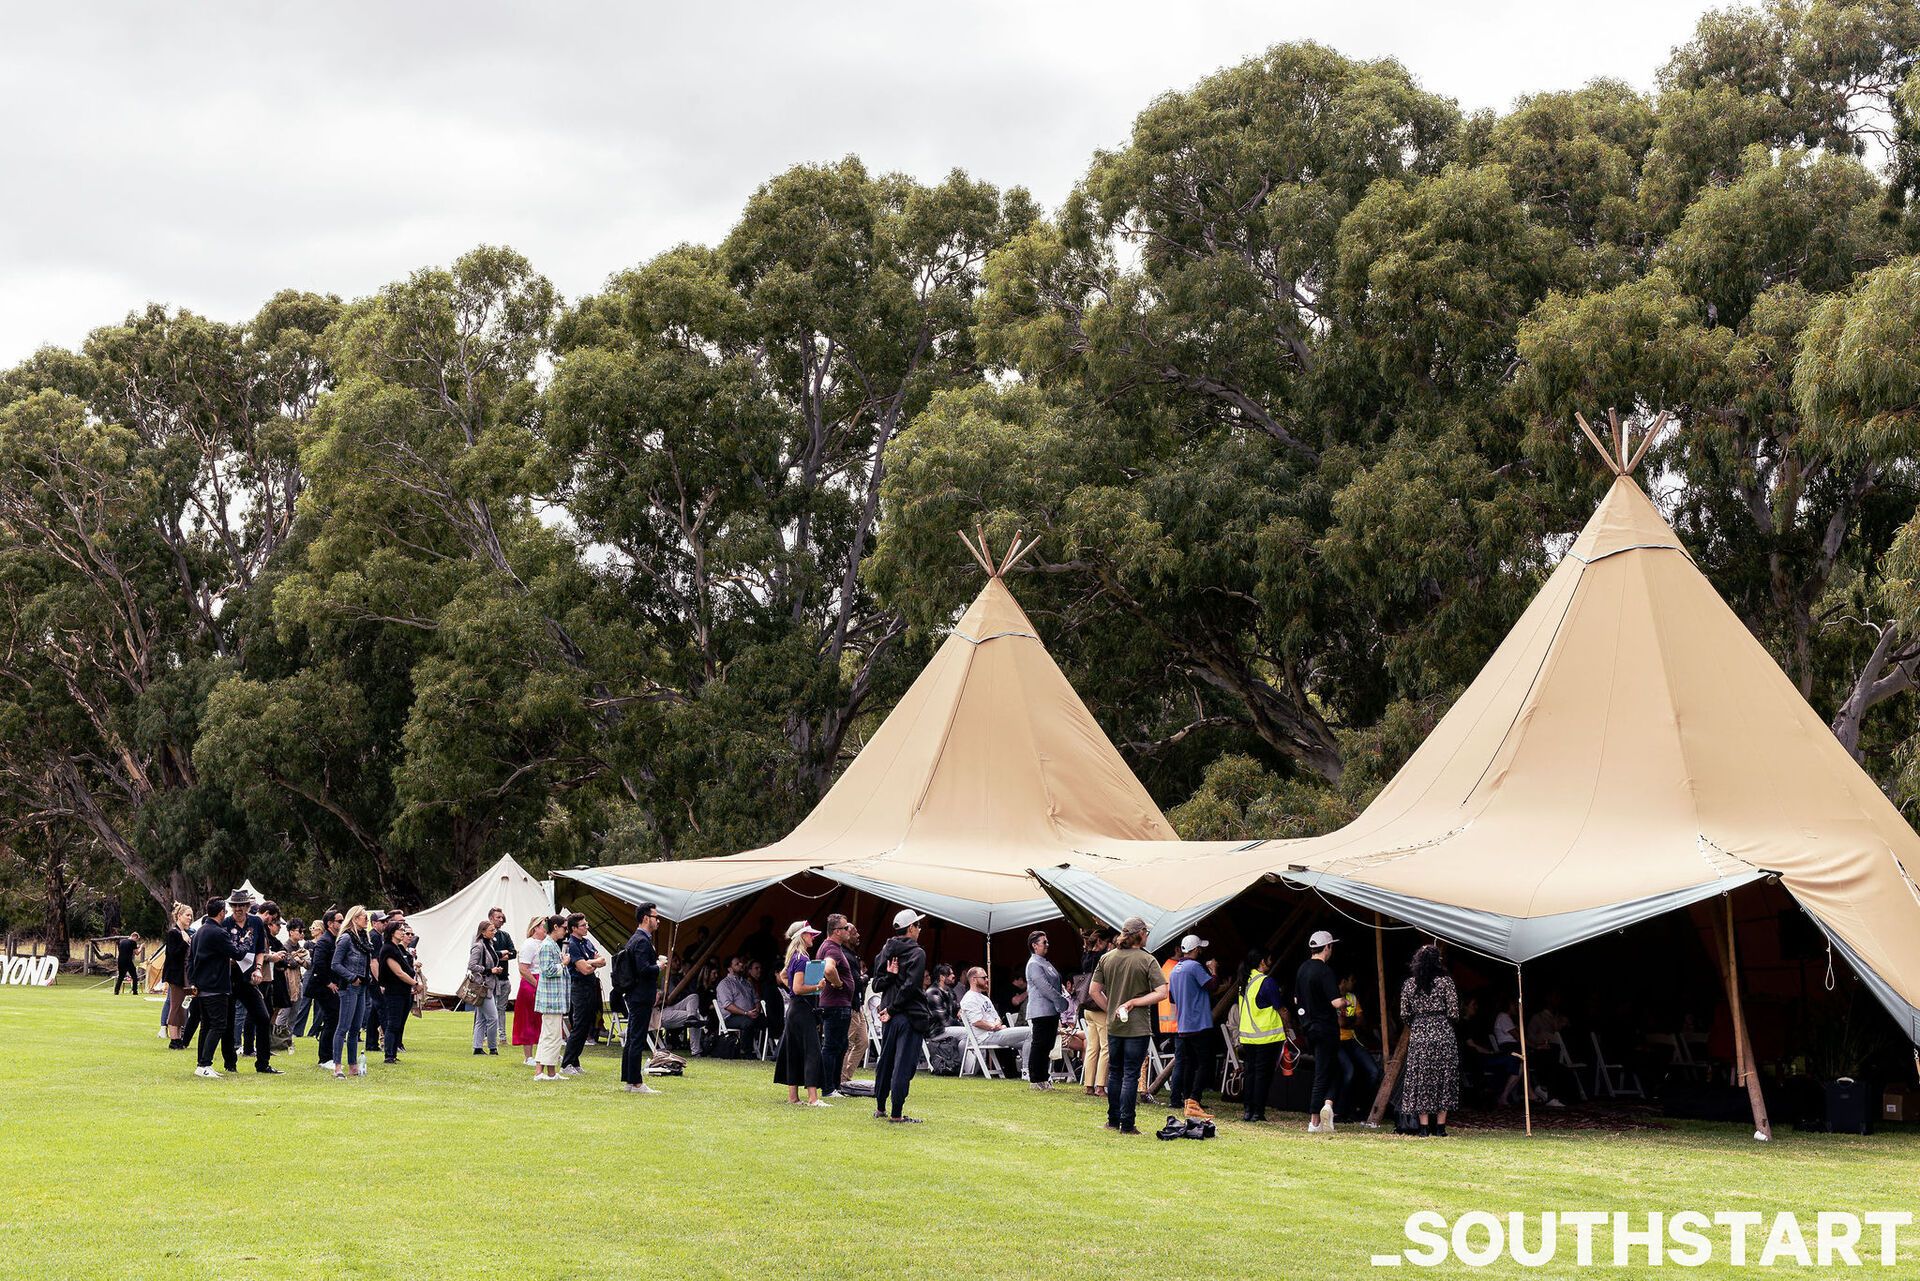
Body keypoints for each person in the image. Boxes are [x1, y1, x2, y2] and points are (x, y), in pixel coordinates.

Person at [1088, 915, 1168, 1135]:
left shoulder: (1107, 958)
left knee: (1115, 1073)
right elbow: (1162, 993)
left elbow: (1093, 991)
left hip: (1115, 1026)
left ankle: (1113, 1121)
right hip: (1137, 1027)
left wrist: (1112, 1009)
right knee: (1131, 1074)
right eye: (1147, 932)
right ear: (1140, 934)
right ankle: (1127, 1124)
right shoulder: (1147, 960)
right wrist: (1134, 1002)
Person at [870, 908, 935, 1123]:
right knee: (903, 1065)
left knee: (886, 1060)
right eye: (918, 925)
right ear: (910, 928)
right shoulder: (917, 953)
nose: (919, 929)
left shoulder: (885, 951)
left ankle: (880, 1107)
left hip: (888, 1014)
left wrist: (890, 977)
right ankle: (896, 1114)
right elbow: (911, 986)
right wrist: (894, 1008)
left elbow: (877, 984)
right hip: (906, 1014)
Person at [1399, 944, 1461, 1136]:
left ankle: (1424, 1128)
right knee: (1445, 1077)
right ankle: (1441, 1128)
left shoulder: (1409, 984)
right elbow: (1454, 1012)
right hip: (1443, 1033)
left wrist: (1418, 1022)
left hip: (1419, 1035)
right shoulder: (1446, 983)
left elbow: (1404, 1013)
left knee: (1421, 1079)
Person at [772, 921, 829, 1107]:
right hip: (803, 1011)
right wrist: (817, 987)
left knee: (794, 1051)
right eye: (810, 934)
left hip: (794, 1010)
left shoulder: (793, 957)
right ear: (802, 936)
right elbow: (797, 988)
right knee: (812, 1051)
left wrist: (794, 991)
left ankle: (793, 1097)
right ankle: (813, 1098)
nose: (812, 937)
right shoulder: (803, 959)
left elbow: (783, 976)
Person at [226, 889, 281, 1075]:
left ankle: (263, 1063)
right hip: (229, 976)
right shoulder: (226, 923)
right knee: (229, 1019)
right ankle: (230, 1063)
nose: (238, 909)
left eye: (241, 905)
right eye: (235, 905)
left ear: (248, 906)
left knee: (263, 1017)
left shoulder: (256, 923)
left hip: (249, 977)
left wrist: (258, 969)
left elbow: (259, 949)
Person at [1294, 929, 1344, 1134]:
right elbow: (1335, 1002)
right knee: (1323, 1073)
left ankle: (1328, 1107)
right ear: (1327, 947)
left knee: (1331, 1068)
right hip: (1326, 1028)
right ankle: (1315, 1121)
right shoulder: (1325, 971)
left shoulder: (1302, 969)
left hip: (1309, 1028)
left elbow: (1296, 1000)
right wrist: (1346, 1001)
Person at [188, 899, 241, 1078]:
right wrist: (247, 940)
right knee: (218, 1024)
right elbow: (237, 953)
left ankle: (201, 1064)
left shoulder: (199, 932)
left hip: (202, 986)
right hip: (216, 986)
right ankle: (205, 1063)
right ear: (221, 913)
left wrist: (193, 981)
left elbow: (191, 959)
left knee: (206, 1025)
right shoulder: (219, 933)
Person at [617, 903, 664, 1095]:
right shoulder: (642, 941)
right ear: (646, 918)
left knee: (632, 1038)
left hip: (635, 994)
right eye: (655, 916)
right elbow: (643, 969)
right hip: (640, 994)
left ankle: (630, 1079)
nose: (658, 920)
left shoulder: (635, 939)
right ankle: (636, 1082)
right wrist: (659, 966)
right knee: (637, 1038)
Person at [1235, 948, 1286, 1122]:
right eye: (1269, 960)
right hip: (1266, 1037)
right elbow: (1280, 1008)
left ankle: (1248, 1111)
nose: (1271, 963)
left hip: (1248, 1037)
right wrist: (1288, 1025)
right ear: (1262, 962)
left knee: (1250, 1073)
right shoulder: (1266, 982)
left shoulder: (1245, 981)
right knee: (1262, 1076)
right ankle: (1258, 1112)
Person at [814, 913, 859, 1097]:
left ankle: (834, 1085)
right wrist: (839, 984)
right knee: (833, 1046)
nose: (849, 930)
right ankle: (828, 1088)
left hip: (835, 1004)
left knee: (839, 1046)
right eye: (846, 927)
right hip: (836, 1004)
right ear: (836, 931)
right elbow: (828, 968)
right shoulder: (832, 949)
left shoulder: (828, 946)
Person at [330, 907, 377, 1078]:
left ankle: (353, 1065)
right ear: (355, 918)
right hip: (349, 987)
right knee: (343, 1027)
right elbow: (335, 964)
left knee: (356, 1028)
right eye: (364, 917)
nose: (367, 920)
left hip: (362, 987)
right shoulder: (346, 939)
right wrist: (352, 977)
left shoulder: (364, 938)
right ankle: (337, 1066)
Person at [958, 966, 1032, 1075]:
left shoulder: (984, 998)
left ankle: (1032, 1070)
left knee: (1033, 1038)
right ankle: (1027, 1072)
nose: (987, 980)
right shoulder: (969, 998)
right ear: (973, 979)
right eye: (984, 977)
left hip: (995, 1033)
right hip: (985, 1037)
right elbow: (976, 1022)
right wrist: (994, 1026)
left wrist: (997, 1025)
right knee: (1030, 1032)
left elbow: (997, 1017)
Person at [559, 914, 607, 1075]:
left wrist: (590, 962)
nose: (587, 927)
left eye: (586, 924)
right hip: (579, 987)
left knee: (586, 1025)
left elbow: (602, 960)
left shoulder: (586, 942)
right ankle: (566, 1063)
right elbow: (584, 970)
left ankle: (575, 1061)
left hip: (590, 986)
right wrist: (592, 963)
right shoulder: (572, 944)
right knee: (579, 1025)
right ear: (574, 928)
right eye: (583, 925)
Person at [1023, 930, 1069, 1091]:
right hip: (1040, 1010)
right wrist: (1061, 1001)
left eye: (1047, 942)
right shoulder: (1034, 964)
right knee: (1039, 1045)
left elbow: (1055, 983)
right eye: (1044, 942)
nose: (1047, 945)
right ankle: (1035, 1079)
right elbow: (1044, 987)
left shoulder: (1044, 962)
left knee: (1048, 1045)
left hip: (1051, 1010)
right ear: (1034, 945)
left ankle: (1043, 1077)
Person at [1336, 972, 1383, 1120]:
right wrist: (1351, 1020)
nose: (1354, 983)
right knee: (1349, 1072)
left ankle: (1360, 1108)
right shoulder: (1332, 997)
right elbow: (1341, 1023)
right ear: (1343, 981)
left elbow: (1361, 1021)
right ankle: (1340, 1111)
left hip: (1353, 1040)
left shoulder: (1352, 997)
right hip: (1336, 1042)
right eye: (1352, 979)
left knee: (1373, 1071)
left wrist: (1349, 1021)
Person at [1074, 927, 1112, 1097]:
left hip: (1087, 1008)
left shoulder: (1086, 957)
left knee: (1092, 1047)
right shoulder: (1102, 958)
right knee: (1106, 1047)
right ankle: (1100, 1086)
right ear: (1100, 942)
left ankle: (1088, 1085)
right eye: (1107, 942)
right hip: (1099, 1006)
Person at [532, 914, 570, 1081]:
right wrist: (563, 964)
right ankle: (543, 1073)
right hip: (551, 999)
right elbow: (547, 970)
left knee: (549, 1035)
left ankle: (546, 1072)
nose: (566, 931)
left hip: (554, 998)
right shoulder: (547, 945)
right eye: (564, 927)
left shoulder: (552, 944)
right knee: (552, 1036)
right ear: (556, 927)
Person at [378, 920, 422, 1064]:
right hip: (394, 991)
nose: (403, 932)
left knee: (399, 1023)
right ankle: (389, 1055)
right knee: (393, 1023)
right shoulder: (388, 949)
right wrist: (415, 983)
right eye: (401, 930)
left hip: (403, 991)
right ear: (392, 932)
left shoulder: (397, 948)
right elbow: (398, 972)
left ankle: (393, 1052)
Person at [308, 909, 342, 1069]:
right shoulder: (324, 941)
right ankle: (324, 1058)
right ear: (330, 923)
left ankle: (330, 1055)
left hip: (331, 985)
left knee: (333, 1019)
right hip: (322, 986)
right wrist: (329, 983)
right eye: (339, 921)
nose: (342, 924)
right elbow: (319, 964)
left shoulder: (335, 940)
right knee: (331, 1019)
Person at [468, 919, 507, 1057]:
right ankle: (492, 1047)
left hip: (489, 985)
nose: (494, 931)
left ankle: (477, 1047)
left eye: (494, 929)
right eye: (491, 930)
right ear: (483, 932)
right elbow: (471, 966)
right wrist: (490, 970)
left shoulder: (489, 944)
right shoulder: (478, 946)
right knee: (493, 1018)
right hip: (483, 987)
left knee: (481, 1019)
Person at [513, 914, 548, 1065]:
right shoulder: (529, 944)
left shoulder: (546, 943)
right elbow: (523, 969)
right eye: (544, 926)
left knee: (543, 1020)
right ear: (535, 928)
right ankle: (528, 1056)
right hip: (531, 983)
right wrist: (537, 984)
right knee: (528, 1019)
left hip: (543, 981)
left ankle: (545, 1052)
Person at [715, 955, 763, 1055]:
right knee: (748, 1022)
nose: (741, 964)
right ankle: (745, 1052)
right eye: (737, 964)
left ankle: (770, 1051)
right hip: (731, 1017)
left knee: (769, 1021)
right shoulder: (724, 984)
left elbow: (756, 999)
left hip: (750, 1015)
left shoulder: (747, 983)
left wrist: (757, 1010)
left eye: (740, 962)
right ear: (729, 969)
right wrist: (746, 1013)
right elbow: (728, 1005)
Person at [162, 904, 193, 1048]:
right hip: (176, 975)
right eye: (187, 915)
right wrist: (185, 942)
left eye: (191, 915)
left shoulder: (185, 932)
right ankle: (174, 1039)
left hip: (185, 975)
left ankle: (179, 1037)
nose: (190, 918)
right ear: (179, 916)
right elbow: (173, 955)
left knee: (183, 1006)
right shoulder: (174, 933)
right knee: (175, 1006)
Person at [487, 906, 516, 1024]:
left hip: (504, 978)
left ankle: (502, 1036)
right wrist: (500, 954)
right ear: (490, 918)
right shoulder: (486, 937)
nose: (500, 919)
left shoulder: (505, 935)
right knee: (489, 1010)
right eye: (497, 917)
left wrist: (499, 955)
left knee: (501, 1009)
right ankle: (485, 1035)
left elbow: (513, 953)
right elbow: (488, 954)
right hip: (491, 979)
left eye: (501, 917)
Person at [926, 963, 961, 1029]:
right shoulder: (933, 992)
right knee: (967, 1033)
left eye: (953, 973)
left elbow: (957, 1008)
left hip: (949, 1027)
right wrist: (962, 1025)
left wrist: (960, 1011)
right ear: (942, 977)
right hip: (937, 1030)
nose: (953, 976)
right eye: (950, 974)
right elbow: (945, 1021)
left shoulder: (950, 991)